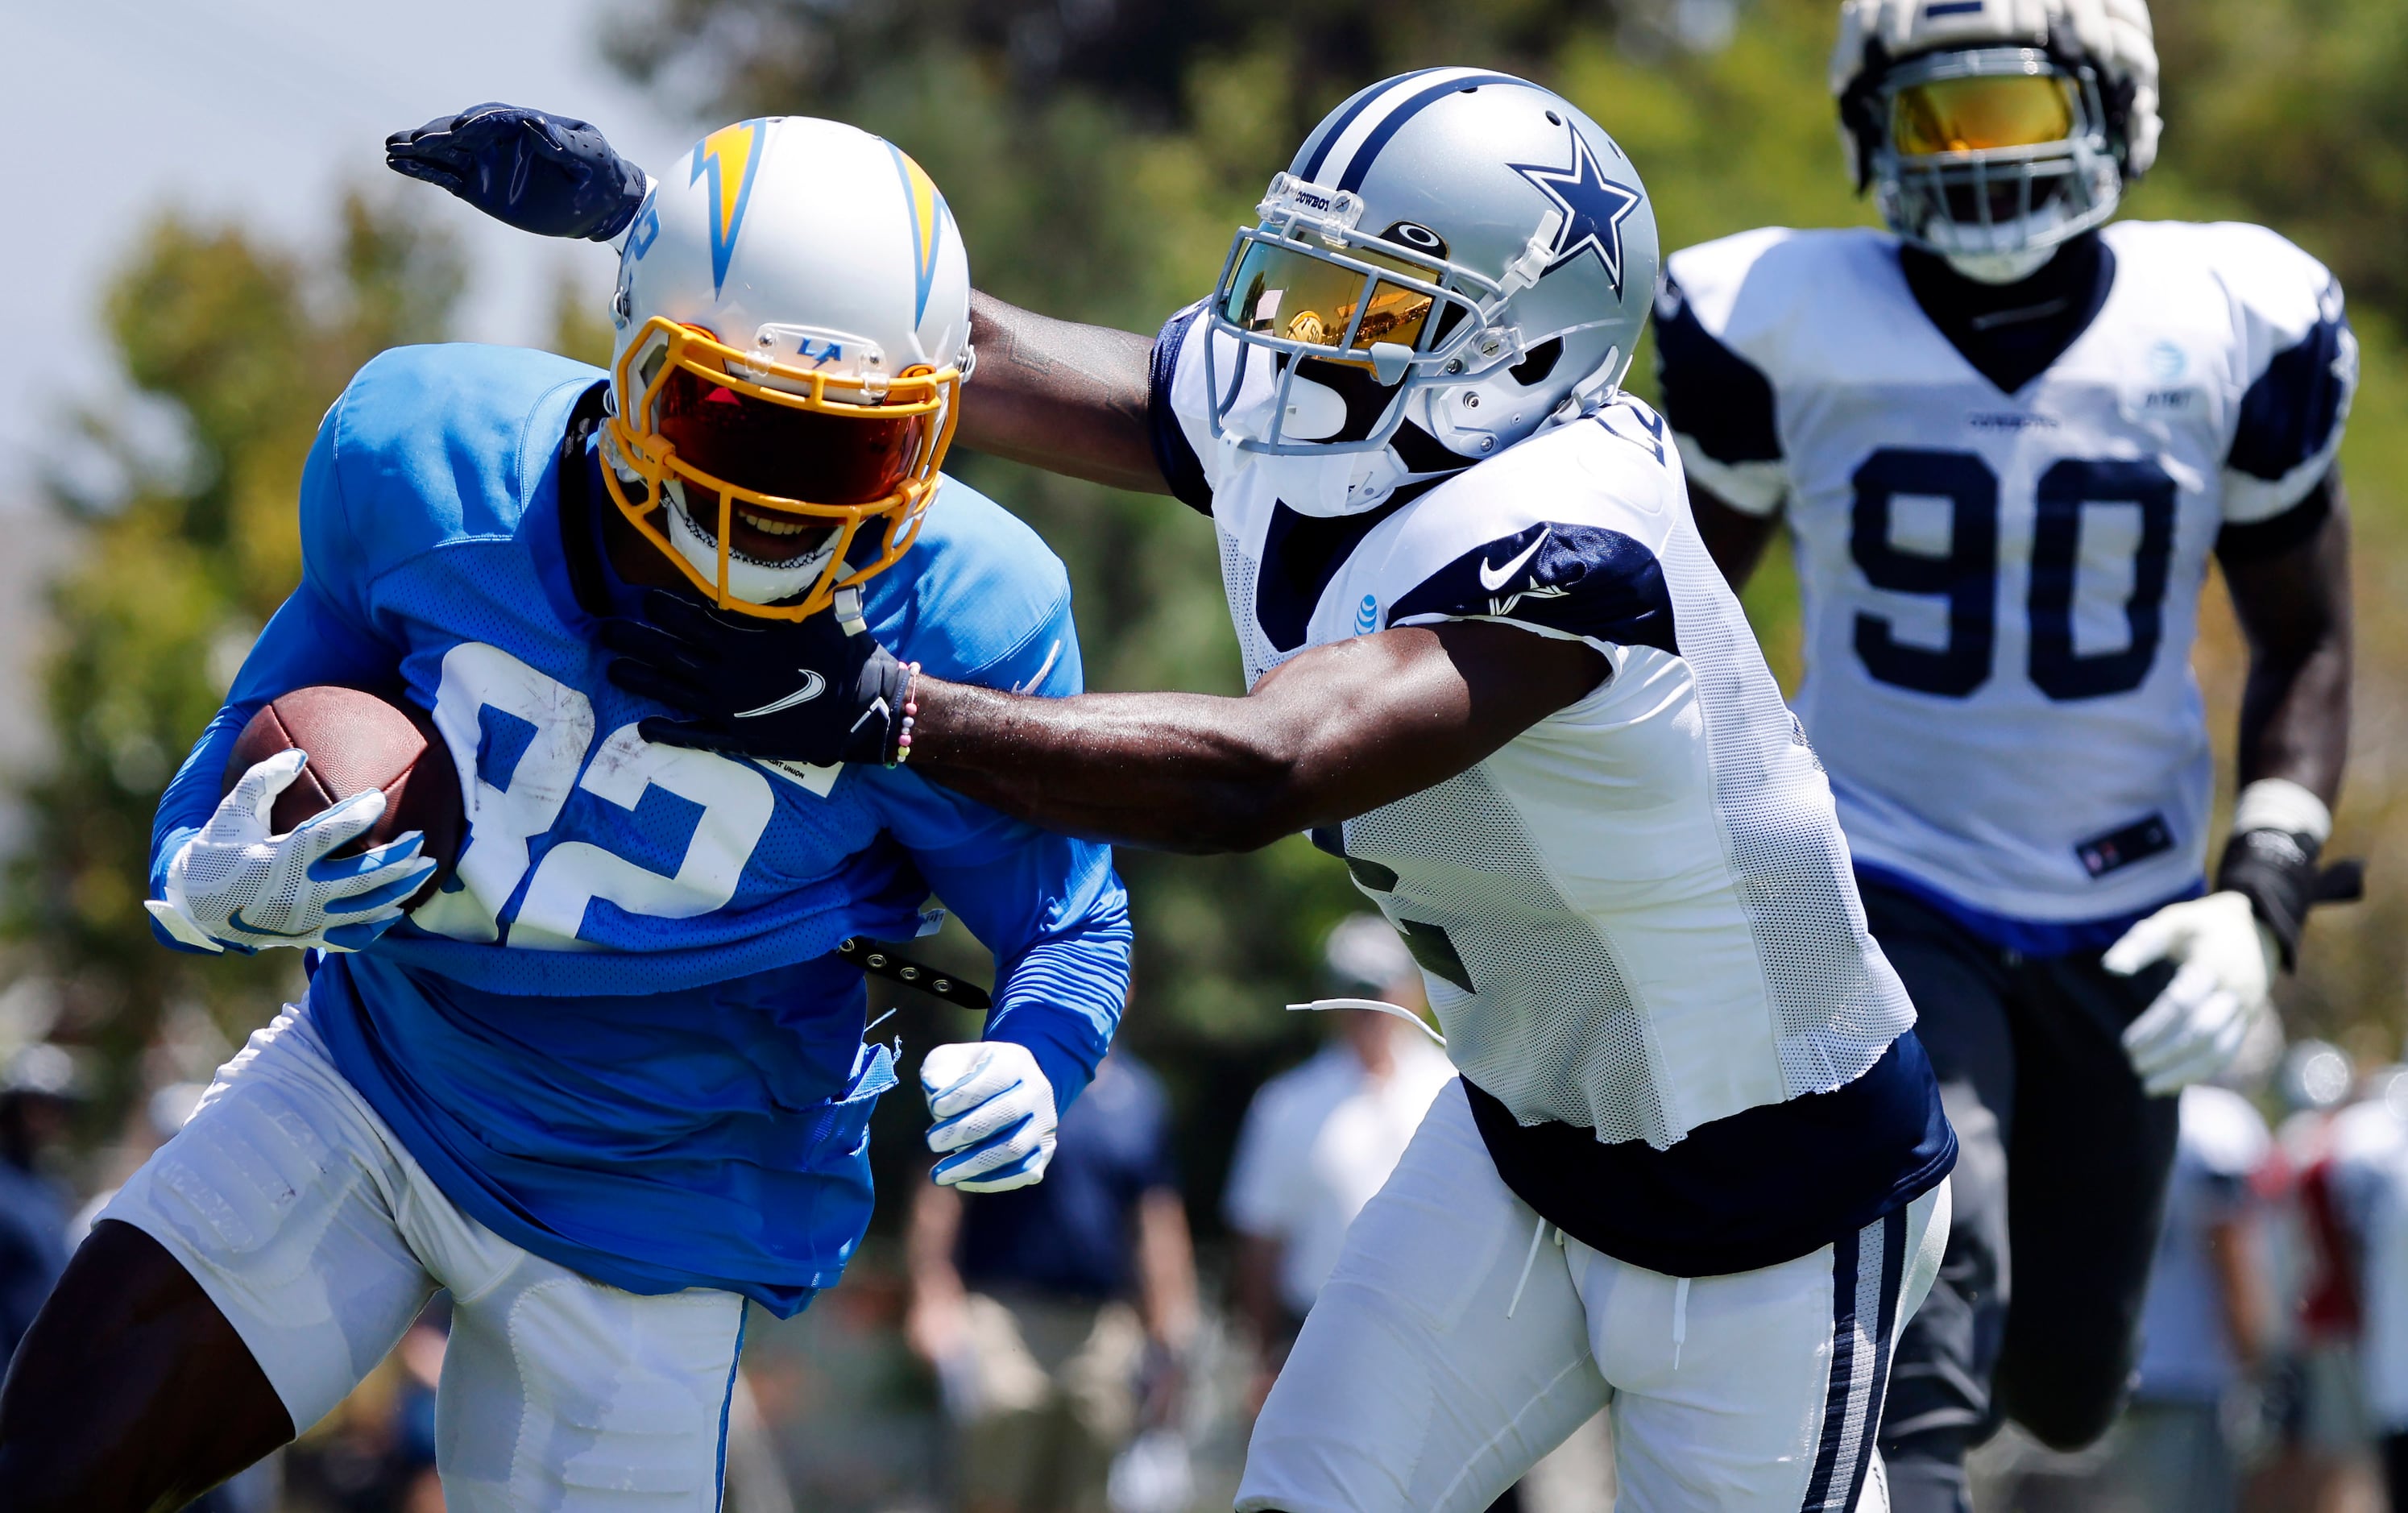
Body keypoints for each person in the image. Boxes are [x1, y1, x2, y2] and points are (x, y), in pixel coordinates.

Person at [408, 73, 1957, 1510]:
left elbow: (1256, 769)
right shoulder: (1350, 411)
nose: (1297, 334)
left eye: (1371, 303)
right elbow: (971, 352)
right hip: (1517, 1130)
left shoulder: (1569, 543)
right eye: (1309, 272)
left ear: (1524, 353)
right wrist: (672, 226)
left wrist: (886, 711)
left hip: (1774, 1184)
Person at [0, 115, 1133, 1513]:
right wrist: (206, 869)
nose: (772, 499)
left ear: (933, 431)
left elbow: (1069, 920)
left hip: (660, 1203)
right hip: (378, 1081)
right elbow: (252, 734)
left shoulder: (966, 618)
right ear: (634, 361)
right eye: (733, 416)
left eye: (841, 451)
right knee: (40, 1466)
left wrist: (1034, 1057)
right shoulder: (430, 462)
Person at [1638, 1, 2359, 1506]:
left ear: (2112, 108)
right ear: (1864, 130)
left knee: (2069, 1372)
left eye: (2007, 115)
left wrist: (2263, 886)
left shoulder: (2233, 314)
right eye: (1931, 120)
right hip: (1883, 867)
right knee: (1927, 1266)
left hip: (2130, 893)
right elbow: (1671, 620)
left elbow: (2301, 633)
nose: (1969, 166)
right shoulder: (1771, 313)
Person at [905, 1047, 1198, 1513]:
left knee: (1087, 1490)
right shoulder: (995, 1072)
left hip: (1104, 1325)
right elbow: (940, 1188)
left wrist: (1170, 1331)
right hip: (1000, 1312)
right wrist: (931, 1296)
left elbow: (1156, 1218)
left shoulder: (1141, 1096)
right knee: (992, 1485)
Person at [1224, 916, 1454, 1407]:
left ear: (1411, 990)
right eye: (1353, 992)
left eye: (1378, 989)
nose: (1367, 1008)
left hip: (1446, 1337)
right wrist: (1263, 1358)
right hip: (1321, 1338)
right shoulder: (1287, 1102)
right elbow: (1262, 1238)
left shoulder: (1455, 1088)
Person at [0, 1044, 82, 1369]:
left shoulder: (50, 1188)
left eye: (57, 1106)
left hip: (41, 1376)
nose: (47, 1117)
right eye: (36, 1104)